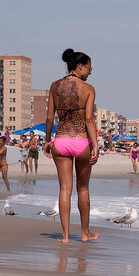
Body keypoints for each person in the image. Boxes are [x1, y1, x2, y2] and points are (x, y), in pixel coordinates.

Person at [42, 48, 100, 243]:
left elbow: (49, 117)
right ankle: (85, 233)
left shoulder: (54, 86)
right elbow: (89, 119)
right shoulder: (89, 89)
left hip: (61, 140)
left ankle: (65, 236)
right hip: (82, 140)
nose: (90, 72)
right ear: (80, 66)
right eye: (89, 68)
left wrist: (47, 141)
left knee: (64, 190)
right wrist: (96, 145)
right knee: (83, 189)